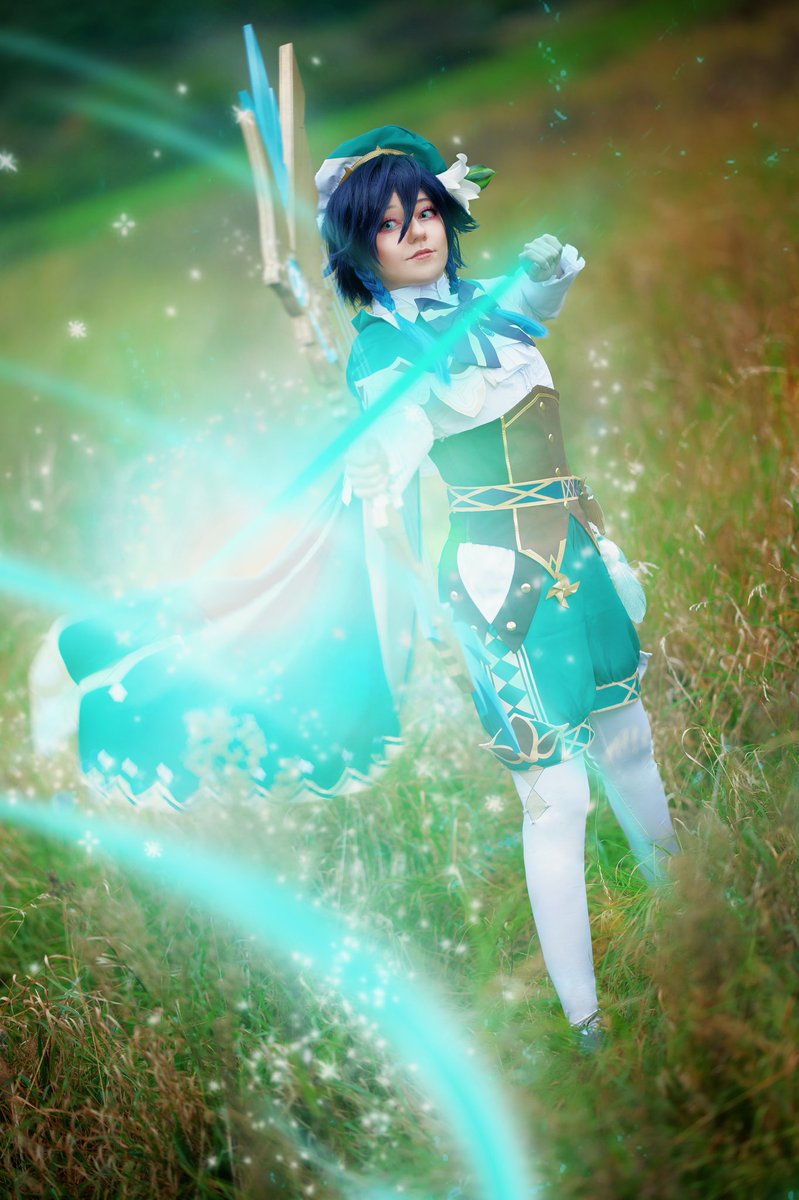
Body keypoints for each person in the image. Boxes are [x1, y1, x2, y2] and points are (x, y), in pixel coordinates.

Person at [315, 125, 681, 1045]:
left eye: (424, 211)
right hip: (501, 585)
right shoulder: (382, 355)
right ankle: (586, 1020)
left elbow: (530, 301)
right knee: (556, 798)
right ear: (359, 247)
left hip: (580, 554)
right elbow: (400, 436)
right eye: (388, 224)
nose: (415, 232)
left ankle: (690, 920)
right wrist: (375, 462)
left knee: (629, 743)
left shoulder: (484, 308)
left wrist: (547, 269)